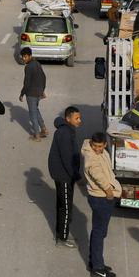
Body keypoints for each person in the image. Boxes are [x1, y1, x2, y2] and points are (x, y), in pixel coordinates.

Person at [83, 132, 120, 277]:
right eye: (94, 146)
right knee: (99, 232)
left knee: (100, 231)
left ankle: (95, 262)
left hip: (102, 196)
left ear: (105, 145)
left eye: (99, 146)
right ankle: (98, 268)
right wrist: (109, 191)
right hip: (101, 197)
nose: (97, 149)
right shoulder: (91, 157)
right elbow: (97, 174)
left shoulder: (101, 152)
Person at [48, 106, 82, 248]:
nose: (80, 121)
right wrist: (75, 175)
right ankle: (62, 238)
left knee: (62, 205)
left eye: (79, 118)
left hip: (61, 174)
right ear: (68, 119)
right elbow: (67, 157)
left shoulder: (66, 130)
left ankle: (60, 234)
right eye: (77, 118)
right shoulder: (65, 133)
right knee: (66, 207)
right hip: (64, 176)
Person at [19, 47, 47, 141]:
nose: (24, 58)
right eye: (23, 56)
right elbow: (44, 77)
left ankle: (37, 136)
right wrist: (42, 90)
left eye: (25, 56)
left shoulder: (28, 67)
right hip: (38, 93)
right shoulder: (37, 63)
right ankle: (44, 129)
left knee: (33, 115)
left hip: (31, 94)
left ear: (30, 56)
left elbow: (26, 83)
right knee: (36, 111)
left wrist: (22, 94)